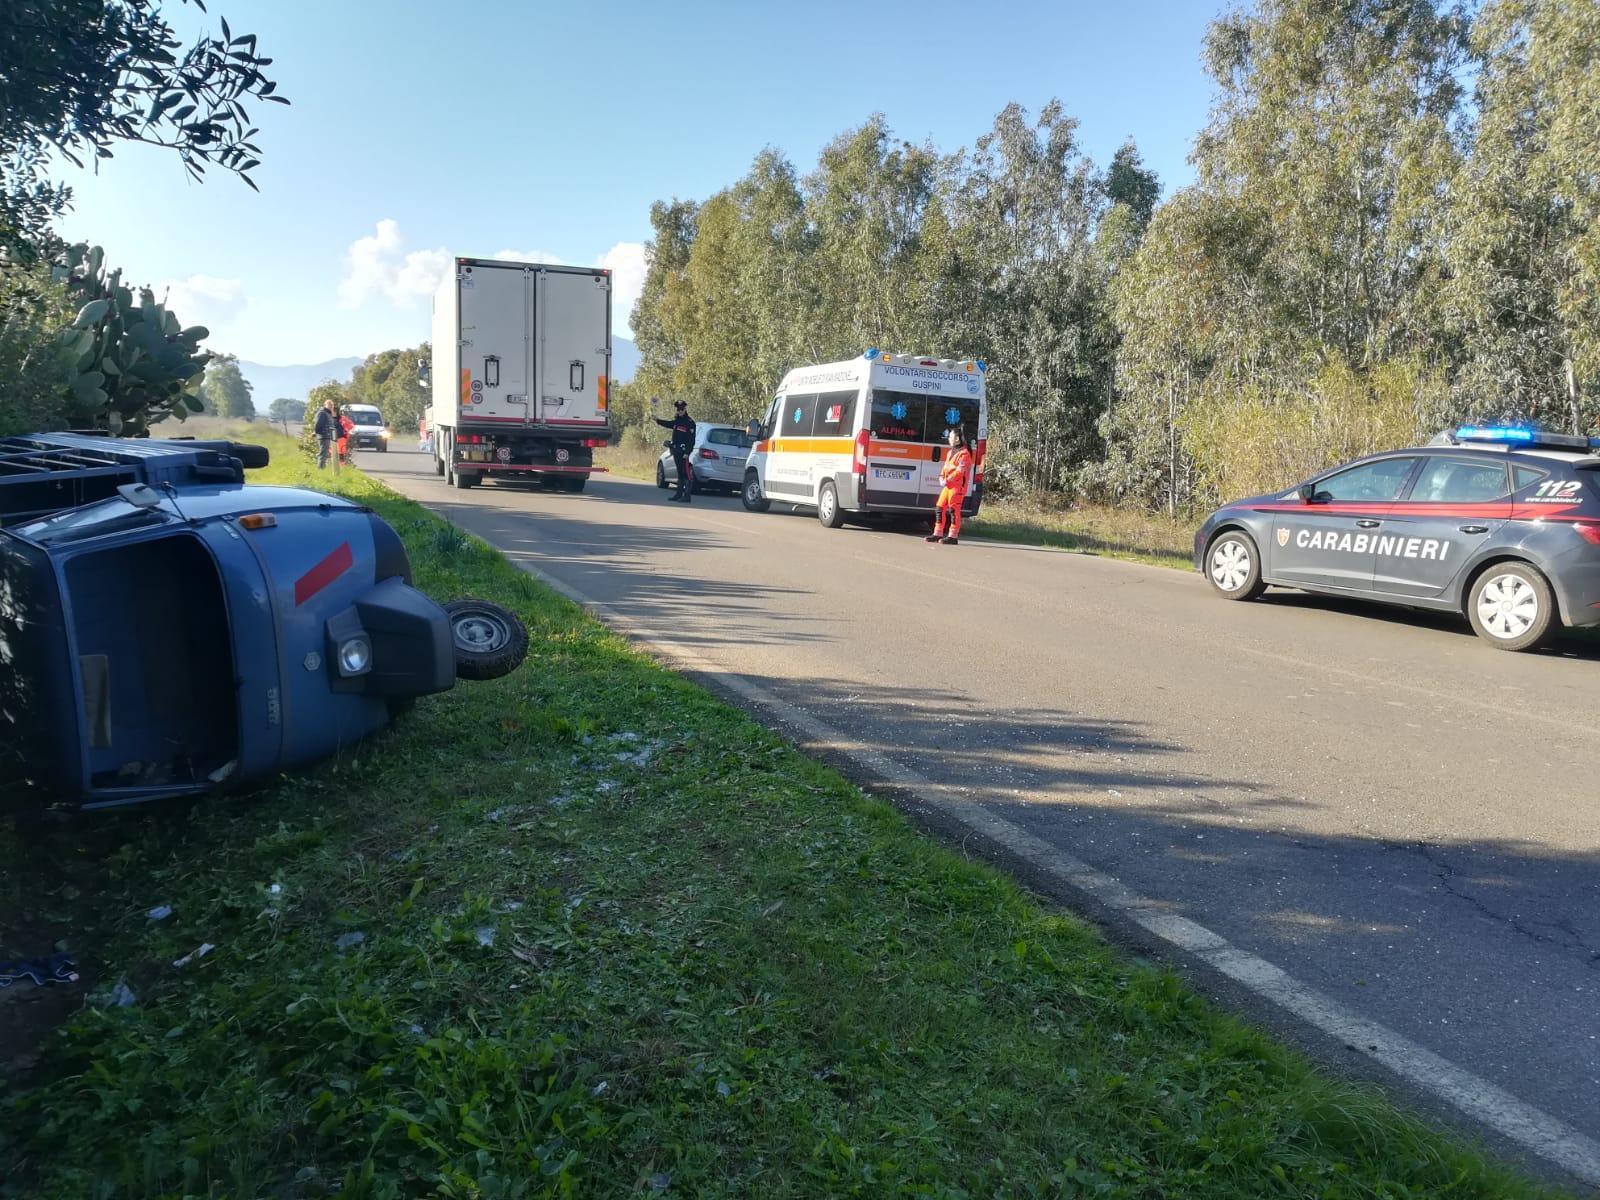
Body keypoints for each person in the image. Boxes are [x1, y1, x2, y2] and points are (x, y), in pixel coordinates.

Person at [926, 427, 974, 545]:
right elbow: (945, 467)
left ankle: (953, 536)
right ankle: (938, 533)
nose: (949, 439)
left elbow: (960, 471)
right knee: (939, 507)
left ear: (957, 439)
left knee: (953, 510)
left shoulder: (965, 454)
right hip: (948, 486)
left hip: (957, 487)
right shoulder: (950, 452)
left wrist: (948, 480)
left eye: (950, 437)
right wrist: (941, 477)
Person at [652, 396, 697, 502]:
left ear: (685, 409)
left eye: (682, 409)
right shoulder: (677, 421)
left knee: (686, 473)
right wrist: (657, 420)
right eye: (678, 409)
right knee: (680, 473)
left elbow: (691, 440)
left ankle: (687, 496)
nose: (680, 411)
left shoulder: (689, 422)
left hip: (684, 452)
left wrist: (687, 452)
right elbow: (668, 424)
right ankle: (678, 494)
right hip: (676, 451)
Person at [313, 398, 339, 469]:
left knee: (325, 453)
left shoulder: (328, 413)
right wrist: (319, 434)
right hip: (323, 436)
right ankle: (320, 469)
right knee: (323, 454)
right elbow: (318, 425)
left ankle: (322, 468)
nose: (331, 406)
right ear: (325, 405)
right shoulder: (322, 413)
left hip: (328, 436)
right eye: (329, 404)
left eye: (332, 405)